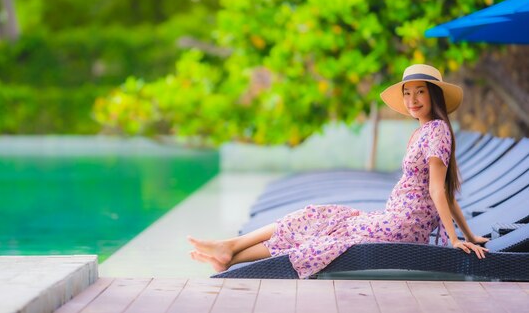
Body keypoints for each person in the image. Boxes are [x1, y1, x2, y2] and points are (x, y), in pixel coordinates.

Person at [187, 63, 489, 279]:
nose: (412, 101)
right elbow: (447, 193)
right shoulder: (425, 131)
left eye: (420, 92)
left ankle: (231, 253)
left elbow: (439, 190)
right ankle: (230, 250)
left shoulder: (436, 131)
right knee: (319, 216)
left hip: (401, 227)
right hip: (392, 220)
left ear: (434, 95)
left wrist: (454, 240)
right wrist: (471, 235)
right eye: (408, 94)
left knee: (325, 226)